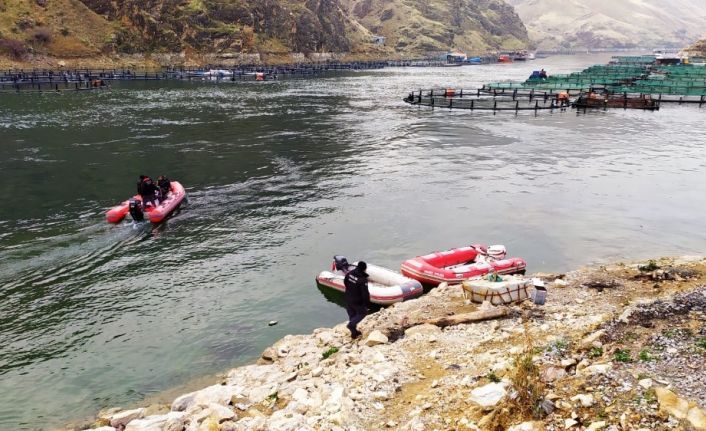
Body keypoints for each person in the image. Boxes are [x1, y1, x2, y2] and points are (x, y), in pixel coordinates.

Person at [344, 261, 370, 339]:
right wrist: (366, 305)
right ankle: (351, 325)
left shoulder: (350, 273)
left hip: (348, 297)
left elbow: (345, 282)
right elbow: (365, 294)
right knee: (363, 313)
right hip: (357, 300)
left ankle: (354, 333)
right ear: (364, 269)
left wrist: (350, 290)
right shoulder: (362, 280)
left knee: (352, 314)